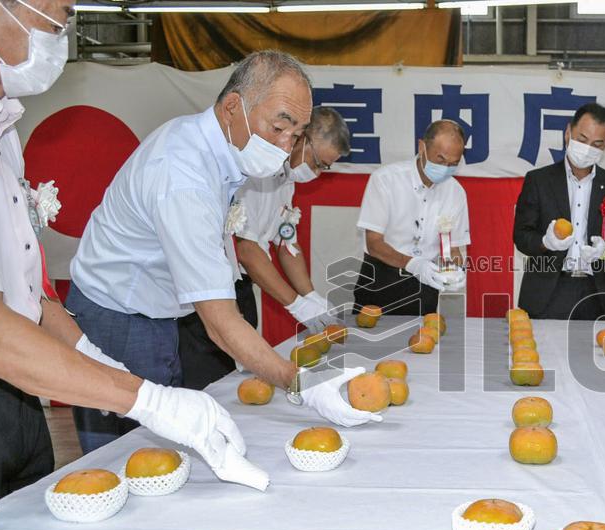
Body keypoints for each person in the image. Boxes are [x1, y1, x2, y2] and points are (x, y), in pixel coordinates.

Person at [0, 0, 263, 514]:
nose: (62, 33)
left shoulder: (2, 133)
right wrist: (147, 399)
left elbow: (34, 300)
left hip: (18, 392)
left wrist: (110, 369)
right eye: (54, 17)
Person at [68, 51, 378, 454]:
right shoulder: (184, 175)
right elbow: (219, 321)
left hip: (157, 313)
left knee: (162, 447)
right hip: (120, 317)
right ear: (234, 106)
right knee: (125, 456)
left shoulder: (220, 155)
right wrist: (302, 384)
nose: (286, 146)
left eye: (297, 134)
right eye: (279, 126)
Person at [177, 106, 350, 390]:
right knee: (210, 383)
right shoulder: (256, 172)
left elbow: (286, 241)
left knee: (238, 378)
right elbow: (247, 249)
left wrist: (311, 296)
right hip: (210, 288)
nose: (317, 173)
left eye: (325, 168)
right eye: (319, 162)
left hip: (242, 286)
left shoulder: (287, 179)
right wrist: (295, 304)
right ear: (301, 137)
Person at [512, 102, 605, 320]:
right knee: (539, 352)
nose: (587, 149)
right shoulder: (538, 180)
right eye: (582, 139)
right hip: (546, 291)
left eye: (596, 144)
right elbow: (521, 236)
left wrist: (604, 250)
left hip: (596, 293)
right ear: (568, 132)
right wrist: (545, 242)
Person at [353, 119, 468, 316]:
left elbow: (453, 247)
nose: (446, 168)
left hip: (425, 288)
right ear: (422, 146)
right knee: (368, 342)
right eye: (440, 160)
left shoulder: (455, 192)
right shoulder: (386, 179)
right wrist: (413, 264)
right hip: (380, 280)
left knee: (423, 342)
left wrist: (454, 269)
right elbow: (374, 243)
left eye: (453, 164)